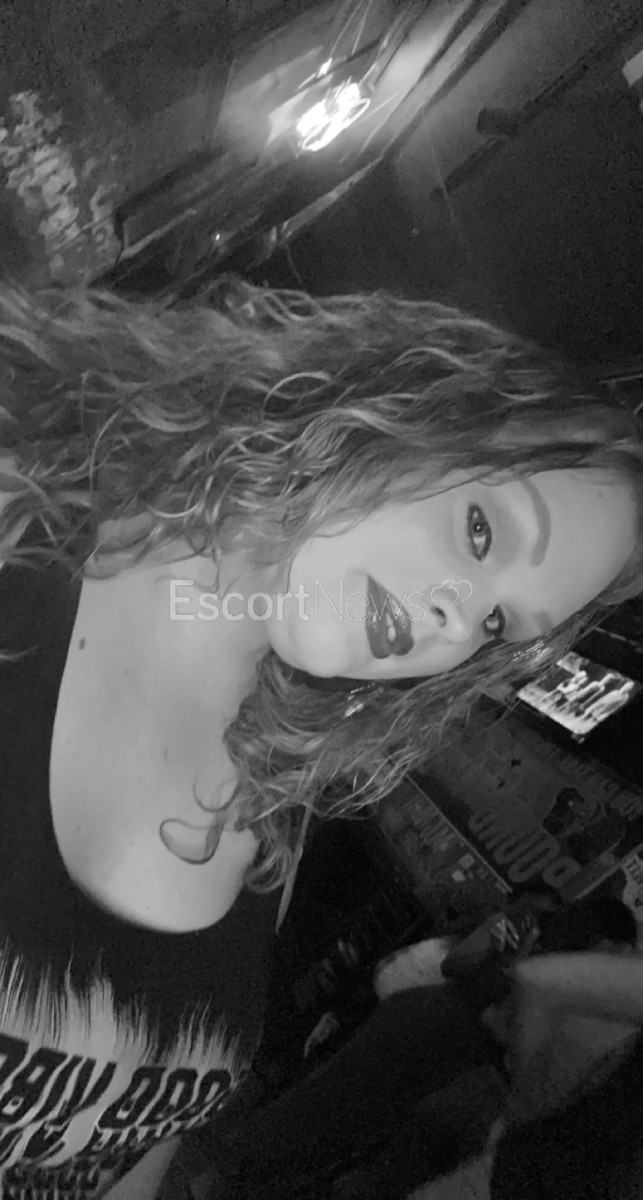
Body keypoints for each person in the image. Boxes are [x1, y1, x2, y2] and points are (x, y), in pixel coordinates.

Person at [0, 277, 642, 1200]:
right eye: (479, 532)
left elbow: (127, 1156)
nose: (455, 623)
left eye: (499, 624)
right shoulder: (21, 531)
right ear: (402, 407)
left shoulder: (272, 804)